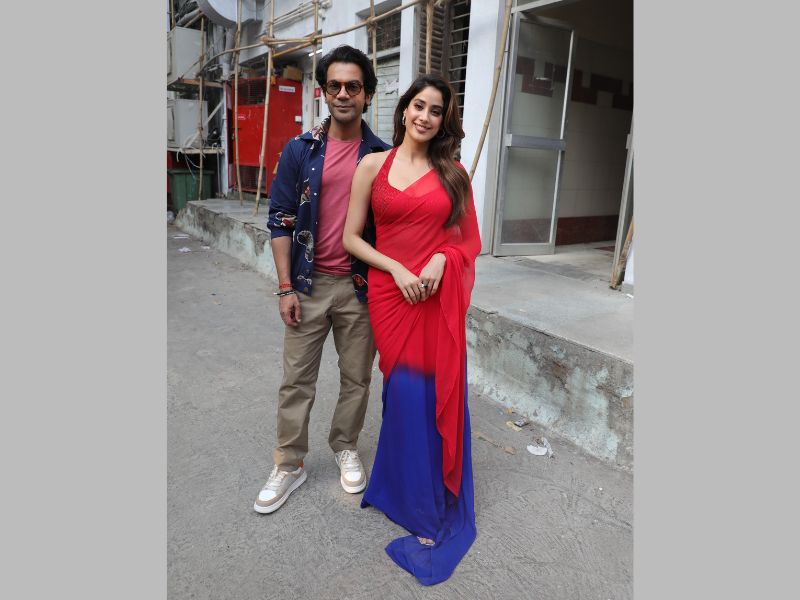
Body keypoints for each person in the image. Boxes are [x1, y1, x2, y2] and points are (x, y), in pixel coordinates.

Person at [342, 74, 481, 585]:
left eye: (436, 110)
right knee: (400, 393)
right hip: (390, 292)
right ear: (404, 110)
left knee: (428, 396)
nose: (425, 116)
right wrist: (397, 269)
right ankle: (397, 489)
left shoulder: (453, 174)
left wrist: (444, 258)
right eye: (418, 105)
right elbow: (351, 237)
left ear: (444, 121)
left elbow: (469, 241)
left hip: (434, 297)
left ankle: (425, 505)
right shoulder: (372, 165)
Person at [254, 45, 391, 514]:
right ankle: (289, 463)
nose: (343, 94)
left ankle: (345, 445)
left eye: (353, 86)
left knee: (357, 378)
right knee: (296, 380)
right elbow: (280, 218)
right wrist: (285, 286)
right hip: (308, 285)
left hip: (360, 288)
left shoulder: (383, 156)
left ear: (368, 94)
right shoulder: (301, 149)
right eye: (335, 85)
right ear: (323, 92)